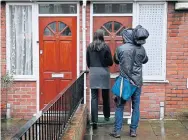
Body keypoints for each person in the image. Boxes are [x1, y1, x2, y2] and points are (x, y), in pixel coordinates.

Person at [110, 26, 149, 138]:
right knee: (135, 106)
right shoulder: (141, 49)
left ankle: (117, 131)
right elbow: (145, 60)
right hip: (137, 83)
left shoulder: (121, 48)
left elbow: (116, 60)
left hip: (125, 82)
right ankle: (133, 131)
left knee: (119, 106)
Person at [86, 29, 113, 129]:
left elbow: (88, 62)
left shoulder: (89, 47)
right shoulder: (106, 47)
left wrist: (93, 67)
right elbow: (110, 62)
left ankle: (94, 121)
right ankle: (106, 117)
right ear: (102, 36)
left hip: (93, 72)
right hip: (104, 72)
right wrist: (104, 61)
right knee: (105, 95)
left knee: (94, 97)